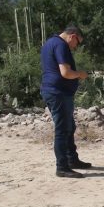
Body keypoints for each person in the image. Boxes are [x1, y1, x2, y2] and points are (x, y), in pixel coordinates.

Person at [40, 25, 90, 178]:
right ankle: (62, 167)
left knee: (69, 126)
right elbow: (66, 73)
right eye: (77, 42)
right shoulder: (61, 45)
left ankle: (71, 159)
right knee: (62, 129)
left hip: (54, 91)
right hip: (58, 93)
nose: (75, 47)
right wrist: (80, 74)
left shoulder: (50, 42)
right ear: (72, 36)